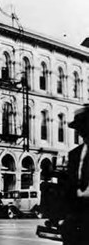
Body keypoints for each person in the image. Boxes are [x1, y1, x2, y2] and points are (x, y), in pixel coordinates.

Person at [61, 104, 89, 245]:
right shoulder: (74, 154)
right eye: (77, 127)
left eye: (82, 126)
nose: (78, 131)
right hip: (78, 214)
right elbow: (70, 185)